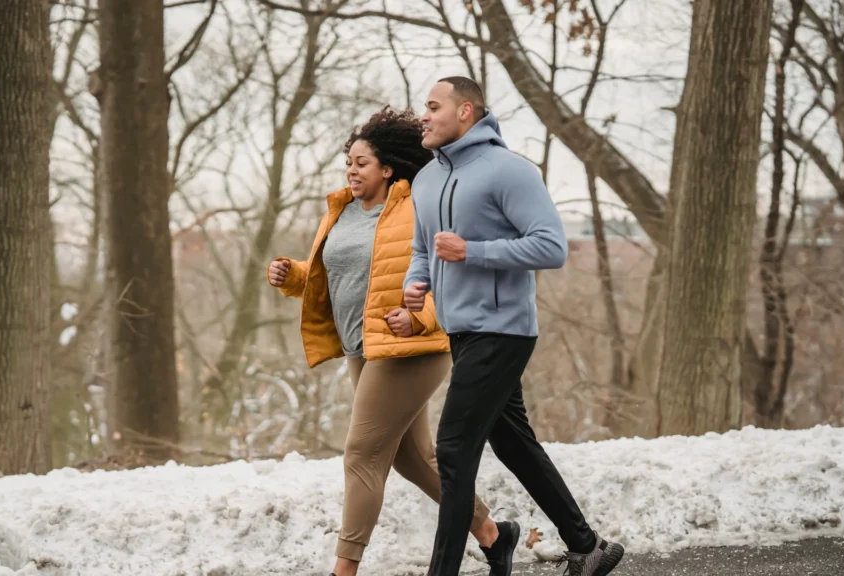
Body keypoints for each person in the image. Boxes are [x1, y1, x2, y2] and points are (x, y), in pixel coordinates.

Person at [267, 107, 517, 576]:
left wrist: (419, 318)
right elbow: (335, 275)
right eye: (349, 162)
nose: (351, 170)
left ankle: (344, 570)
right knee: (412, 459)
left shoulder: (415, 208)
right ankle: (492, 533)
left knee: (362, 453)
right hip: (364, 348)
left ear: (387, 169)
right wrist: (293, 275)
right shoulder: (341, 210)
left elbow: (451, 274)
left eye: (362, 163)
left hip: (412, 348)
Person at [403, 77, 625, 576]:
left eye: (433, 106)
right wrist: (416, 283)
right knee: (512, 443)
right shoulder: (426, 179)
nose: (424, 115)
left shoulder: (509, 171)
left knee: (453, 448)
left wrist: (472, 251)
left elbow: (551, 246)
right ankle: (587, 546)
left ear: (465, 111)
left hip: (503, 328)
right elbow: (423, 248)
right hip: (459, 329)